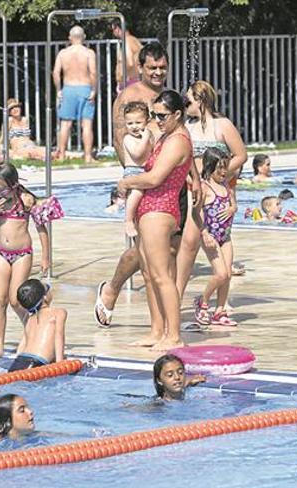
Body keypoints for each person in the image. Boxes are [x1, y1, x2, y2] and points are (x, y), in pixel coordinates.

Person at [95, 42, 171, 328]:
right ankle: (112, 288)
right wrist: (130, 179)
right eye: (152, 67)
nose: (158, 72)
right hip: (141, 176)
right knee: (144, 246)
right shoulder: (130, 95)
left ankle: (166, 311)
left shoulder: (165, 95)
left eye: (162, 67)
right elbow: (120, 138)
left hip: (165, 178)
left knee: (168, 246)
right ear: (140, 68)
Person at [0, 162, 62, 360]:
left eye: (2, 189)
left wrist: (46, 257)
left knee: (16, 300)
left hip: (22, 254)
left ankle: (34, 323)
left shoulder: (25, 200)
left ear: (14, 184)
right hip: (1, 253)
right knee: (0, 300)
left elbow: (41, 228)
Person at [117, 90, 192, 350]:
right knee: (148, 274)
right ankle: (157, 331)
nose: (157, 121)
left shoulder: (178, 140)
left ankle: (174, 335)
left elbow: (154, 178)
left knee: (162, 275)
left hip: (161, 208)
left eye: (162, 116)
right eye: (154, 115)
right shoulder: (167, 136)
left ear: (178, 114)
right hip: (148, 207)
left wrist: (126, 182)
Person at [176, 80, 247, 310]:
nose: (185, 103)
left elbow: (240, 155)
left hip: (217, 192)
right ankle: (176, 294)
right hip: (195, 189)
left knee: (220, 237)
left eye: (189, 99)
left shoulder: (222, 125)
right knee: (189, 242)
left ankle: (221, 303)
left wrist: (221, 178)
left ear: (201, 100)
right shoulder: (188, 126)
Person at [193, 148, 237, 327]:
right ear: (210, 167)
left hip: (225, 237)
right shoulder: (205, 188)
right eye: (220, 168)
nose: (224, 172)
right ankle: (202, 301)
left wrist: (233, 208)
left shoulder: (226, 185)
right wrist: (203, 233)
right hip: (210, 236)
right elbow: (195, 213)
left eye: (225, 167)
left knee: (227, 276)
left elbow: (233, 202)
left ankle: (220, 311)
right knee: (221, 274)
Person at [53, 25, 97, 163]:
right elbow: (93, 73)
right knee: (87, 124)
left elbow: (55, 73)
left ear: (70, 38)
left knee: (65, 124)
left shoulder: (63, 53)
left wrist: (59, 90)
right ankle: (88, 156)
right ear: (83, 37)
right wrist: (94, 90)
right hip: (84, 88)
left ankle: (61, 154)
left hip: (68, 88)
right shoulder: (89, 53)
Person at [9, 280, 66, 371]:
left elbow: (21, 347)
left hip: (17, 363)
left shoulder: (29, 319)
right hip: (36, 364)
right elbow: (59, 336)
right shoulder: (59, 313)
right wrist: (60, 362)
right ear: (45, 297)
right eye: (48, 289)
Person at [121, 101, 153, 238]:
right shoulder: (128, 139)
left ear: (147, 121)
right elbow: (137, 154)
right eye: (130, 123)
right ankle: (128, 220)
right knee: (137, 192)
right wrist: (145, 139)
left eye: (138, 122)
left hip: (145, 172)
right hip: (133, 172)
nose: (134, 127)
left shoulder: (148, 136)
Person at [109, 20, 142, 92]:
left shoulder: (126, 41)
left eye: (113, 30)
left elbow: (129, 63)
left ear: (117, 29)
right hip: (135, 81)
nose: (113, 33)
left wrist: (121, 77)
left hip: (128, 83)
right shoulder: (135, 40)